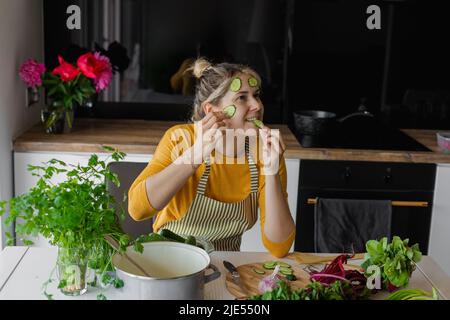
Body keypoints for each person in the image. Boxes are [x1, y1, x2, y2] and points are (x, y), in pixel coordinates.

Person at [128, 58, 295, 257]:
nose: (257, 105)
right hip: (169, 262)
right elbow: (137, 210)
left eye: (256, 95)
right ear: (212, 110)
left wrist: (271, 170)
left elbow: (279, 247)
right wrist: (196, 154)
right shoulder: (181, 139)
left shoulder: (265, 153)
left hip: (227, 267)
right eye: (242, 98)